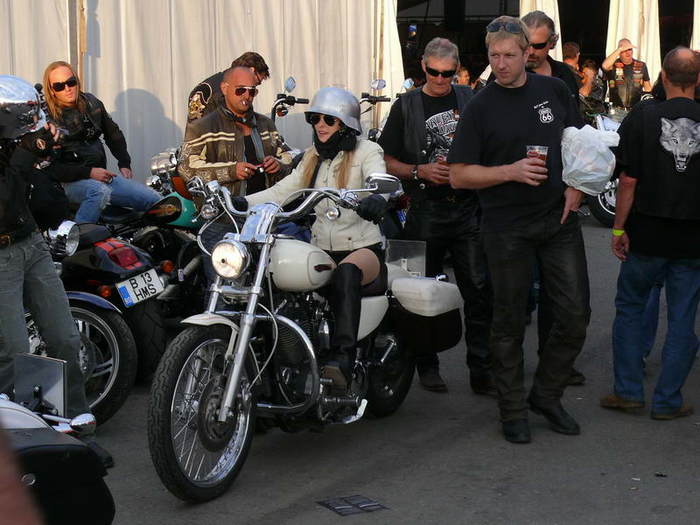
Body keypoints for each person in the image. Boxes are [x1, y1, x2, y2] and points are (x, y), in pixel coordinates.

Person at [449, 16, 590, 444]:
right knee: (509, 321)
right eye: (494, 55)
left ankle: (546, 395)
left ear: (528, 52)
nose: (501, 63)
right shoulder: (480, 106)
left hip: (557, 219)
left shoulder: (554, 90)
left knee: (574, 314)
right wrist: (508, 171)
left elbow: (579, 143)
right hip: (505, 226)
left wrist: (577, 186)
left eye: (510, 55)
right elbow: (458, 175)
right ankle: (512, 409)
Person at [242, 87, 388, 387]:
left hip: (361, 248)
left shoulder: (368, 151)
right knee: (274, 275)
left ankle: (342, 359)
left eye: (328, 120)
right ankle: (279, 361)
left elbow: (379, 179)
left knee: (347, 272)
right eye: (315, 119)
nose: (320, 125)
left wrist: (377, 197)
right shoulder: (312, 156)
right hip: (320, 249)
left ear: (346, 124)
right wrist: (242, 203)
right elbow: (284, 190)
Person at [0, 75, 111, 466]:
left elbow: (43, 193)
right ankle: (20, 439)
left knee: (64, 336)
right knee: (13, 350)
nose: (32, 123)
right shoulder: (14, 150)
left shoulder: (17, 144)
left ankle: (71, 422)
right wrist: (25, 155)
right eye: (25, 115)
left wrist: (45, 154)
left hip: (30, 243)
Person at [379, 37, 493, 396]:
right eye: (434, 72)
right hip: (423, 208)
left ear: (457, 70)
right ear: (423, 67)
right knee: (414, 290)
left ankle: (481, 369)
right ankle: (425, 365)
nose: (441, 79)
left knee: (479, 290)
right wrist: (419, 171)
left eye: (448, 73)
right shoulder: (405, 105)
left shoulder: (471, 98)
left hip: (468, 208)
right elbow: (384, 160)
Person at [600, 47, 700, 420]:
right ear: (698, 79)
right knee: (682, 319)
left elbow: (627, 181)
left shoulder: (643, 116)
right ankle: (668, 400)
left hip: (646, 234)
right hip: (692, 240)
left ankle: (628, 391)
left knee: (630, 309)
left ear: (663, 76)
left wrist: (618, 227)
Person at [179, 66, 292, 283]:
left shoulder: (265, 124)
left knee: (266, 284)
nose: (247, 96)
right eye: (240, 90)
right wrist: (230, 171)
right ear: (225, 88)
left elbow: (288, 157)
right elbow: (186, 169)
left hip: (262, 219)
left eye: (252, 91)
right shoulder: (202, 127)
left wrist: (278, 164)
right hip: (222, 219)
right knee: (222, 287)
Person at [42, 61, 160, 224]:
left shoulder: (91, 103)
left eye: (71, 82)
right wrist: (89, 172)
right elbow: (50, 169)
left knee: (154, 200)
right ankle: (78, 237)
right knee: (98, 192)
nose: (67, 88)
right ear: (51, 90)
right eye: (59, 86)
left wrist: (124, 162)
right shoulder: (44, 119)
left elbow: (113, 133)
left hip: (98, 177)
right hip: (65, 183)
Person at [188, 51, 270, 122]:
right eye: (257, 82)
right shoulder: (206, 92)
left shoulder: (241, 92)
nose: (254, 87)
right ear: (251, 71)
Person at [522, 11, 580, 98]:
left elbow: (574, 105)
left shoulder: (564, 71)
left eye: (539, 46)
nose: (531, 52)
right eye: (526, 44)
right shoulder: (510, 75)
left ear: (552, 42)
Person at [602, 38, 652, 110]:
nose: (628, 53)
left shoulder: (641, 65)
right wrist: (619, 49)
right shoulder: (613, 65)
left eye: (630, 49)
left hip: (635, 109)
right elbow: (605, 66)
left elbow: (648, 89)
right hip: (616, 109)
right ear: (619, 52)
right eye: (624, 50)